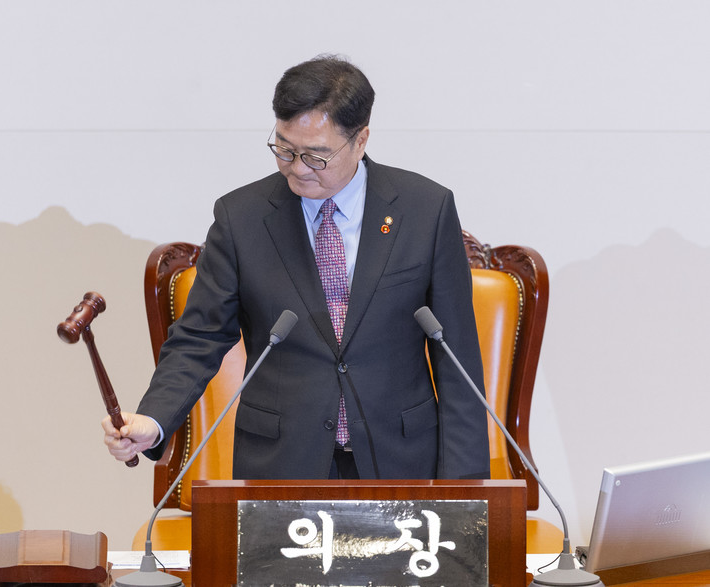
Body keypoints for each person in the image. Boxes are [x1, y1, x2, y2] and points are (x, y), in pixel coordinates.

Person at [103, 55, 490, 480]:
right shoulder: (242, 217)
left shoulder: (426, 209)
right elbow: (200, 336)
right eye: (285, 150)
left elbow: (457, 359)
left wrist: (466, 491)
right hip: (282, 464)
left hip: (402, 462)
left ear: (360, 140)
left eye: (316, 156)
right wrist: (154, 419)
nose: (298, 168)